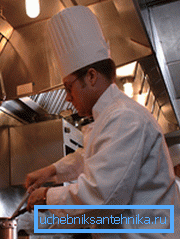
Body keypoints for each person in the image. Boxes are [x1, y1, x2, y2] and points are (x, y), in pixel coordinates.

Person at [25, 6, 180, 238]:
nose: (68, 98)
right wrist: (52, 171)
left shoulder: (124, 118)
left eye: (69, 88)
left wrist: (47, 196)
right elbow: (93, 157)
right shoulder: (112, 117)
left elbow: (102, 197)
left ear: (91, 76)